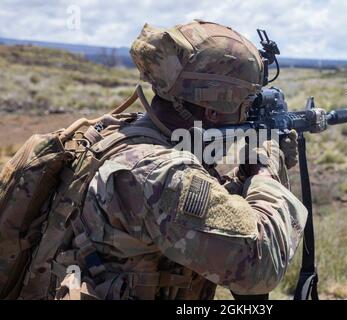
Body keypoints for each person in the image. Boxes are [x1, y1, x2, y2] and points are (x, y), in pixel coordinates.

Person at [52, 19, 308, 300]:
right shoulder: (159, 173)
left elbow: (198, 214)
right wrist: (266, 166)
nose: (246, 116)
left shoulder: (126, 134)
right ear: (212, 110)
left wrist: (244, 176)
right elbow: (259, 267)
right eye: (246, 105)